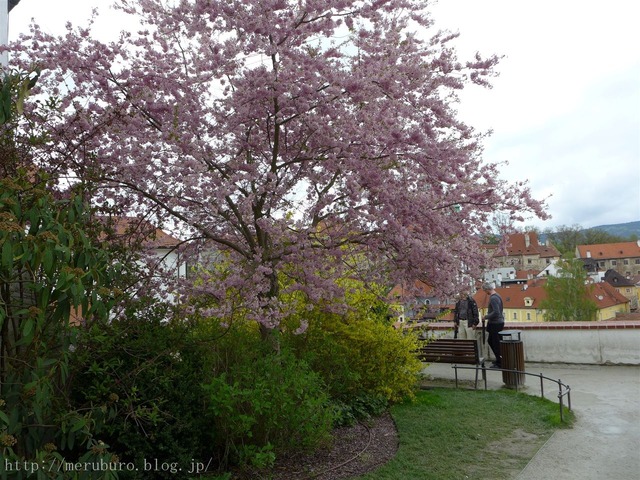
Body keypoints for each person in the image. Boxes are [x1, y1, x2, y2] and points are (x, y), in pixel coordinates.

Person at [481, 282, 505, 368]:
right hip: (496, 323)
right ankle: (499, 360)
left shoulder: (493, 298)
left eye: (484, 290)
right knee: (492, 341)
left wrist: (486, 317)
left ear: (487, 289)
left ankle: (500, 363)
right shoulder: (497, 296)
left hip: (496, 323)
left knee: (495, 343)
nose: (485, 292)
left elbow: (496, 312)